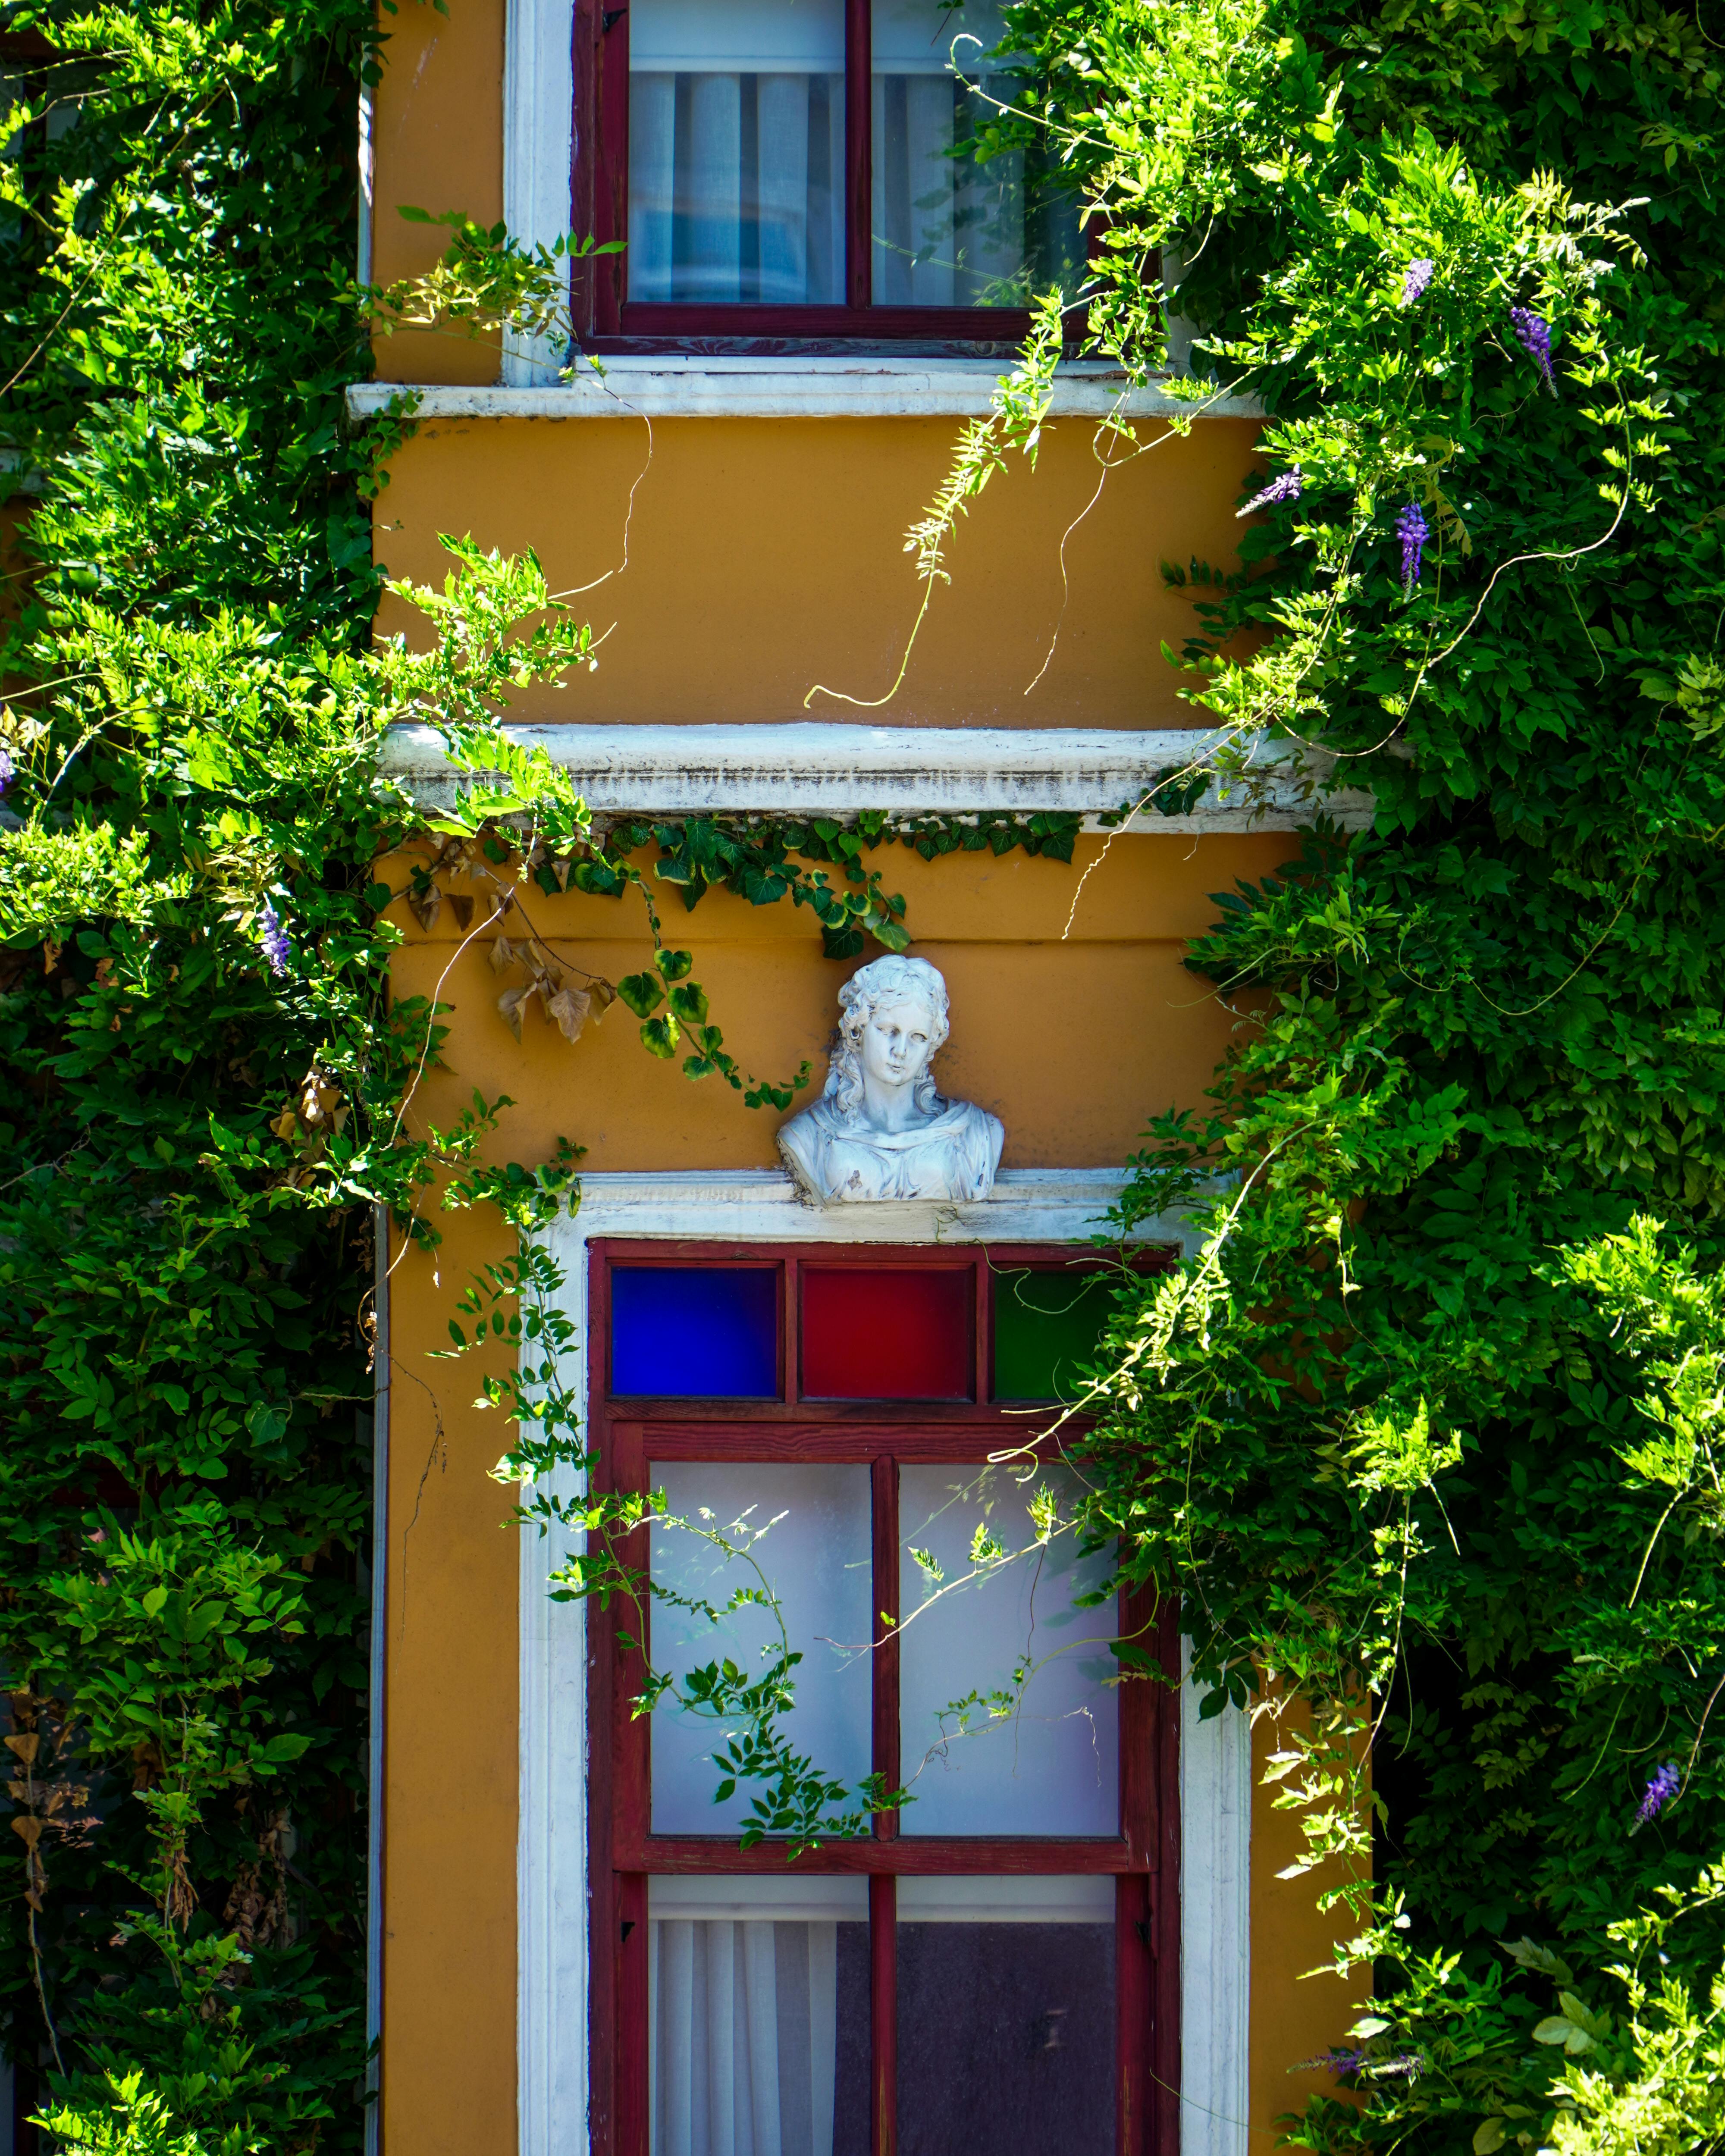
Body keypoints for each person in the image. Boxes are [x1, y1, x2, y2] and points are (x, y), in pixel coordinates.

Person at [778, 954, 1004, 1204]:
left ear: (932, 1045)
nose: (901, 1050)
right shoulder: (809, 1136)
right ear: (859, 1031)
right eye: (889, 1031)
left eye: (918, 1037)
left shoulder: (974, 1133)